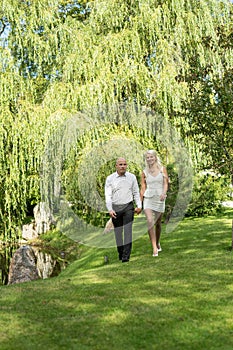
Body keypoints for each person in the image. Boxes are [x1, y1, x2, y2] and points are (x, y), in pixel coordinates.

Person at [105, 157, 142, 263]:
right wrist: (110, 209)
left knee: (128, 231)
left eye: (124, 164)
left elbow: (136, 192)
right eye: (120, 164)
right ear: (116, 166)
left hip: (128, 207)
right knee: (118, 232)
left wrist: (139, 205)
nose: (123, 166)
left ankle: (126, 257)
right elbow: (108, 195)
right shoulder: (110, 179)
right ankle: (121, 253)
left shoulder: (131, 177)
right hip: (116, 208)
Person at [140, 150, 169, 257]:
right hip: (148, 198)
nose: (149, 159)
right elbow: (143, 188)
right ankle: (154, 248)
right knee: (149, 220)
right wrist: (140, 202)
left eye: (151, 157)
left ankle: (157, 242)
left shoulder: (162, 169)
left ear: (155, 157)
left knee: (157, 223)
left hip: (160, 198)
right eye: (147, 157)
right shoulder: (144, 172)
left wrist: (164, 193)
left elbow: (165, 184)